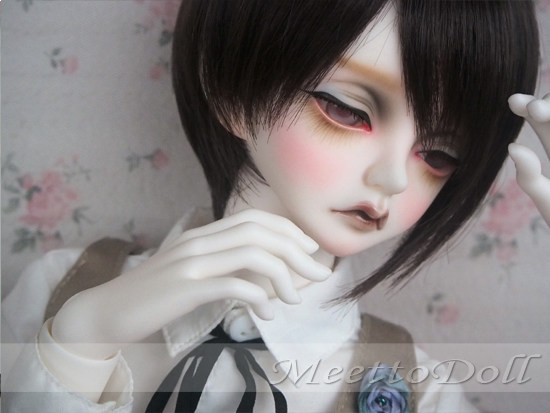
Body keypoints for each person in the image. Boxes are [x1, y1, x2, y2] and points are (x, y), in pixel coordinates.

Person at [3, 0, 548, 412]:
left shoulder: (418, 389)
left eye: (438, 155)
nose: (393, 177)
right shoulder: (63, 290)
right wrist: (78, 346)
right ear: (232, 88)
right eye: (347, 109)